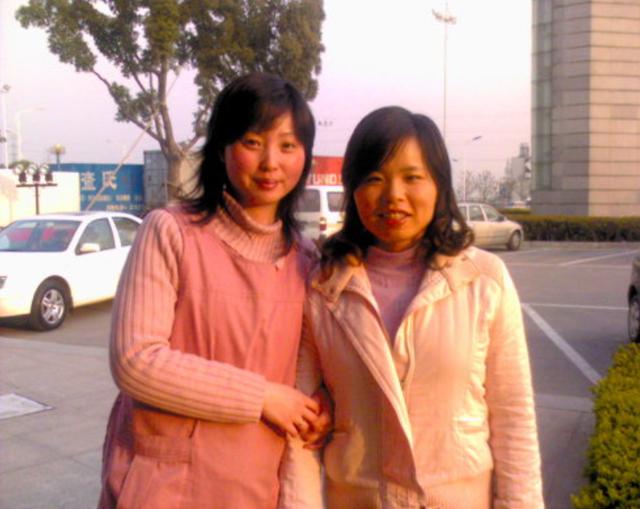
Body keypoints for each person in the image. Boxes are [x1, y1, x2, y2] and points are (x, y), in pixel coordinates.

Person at [279, 106, 544, 509]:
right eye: (374, 179)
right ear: (353, 189)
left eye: (412, 177)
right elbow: (302, 428)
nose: (393, 196)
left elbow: (514, 419)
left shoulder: (484, 280)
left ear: (439, 184)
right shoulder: (323, 287)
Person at [98, 72, 328, 509]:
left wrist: (321, 406)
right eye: (252, 141)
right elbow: (135, 361)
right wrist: (262, 396)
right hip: (163, 486)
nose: (270, 162)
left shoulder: (307, 261)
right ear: (222, 148)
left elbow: (310, 372)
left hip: (253, 487)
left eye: (288, 146)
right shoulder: (170, 232)